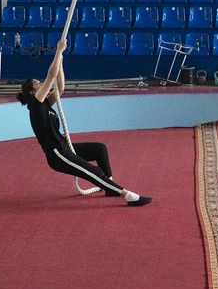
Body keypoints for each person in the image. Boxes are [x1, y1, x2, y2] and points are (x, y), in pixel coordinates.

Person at [17, 39, 152, 206]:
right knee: (92, 172)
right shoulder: (35, 105)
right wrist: (58, 51)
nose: (40, 83)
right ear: (32, 91)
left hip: (65, 147)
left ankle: (110, 187)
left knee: (99, 149)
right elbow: (50, 76)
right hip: (58, 155)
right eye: (37, 83)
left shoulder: (45, 103)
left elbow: (60, 85)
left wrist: (61, 60)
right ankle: (127, 195)